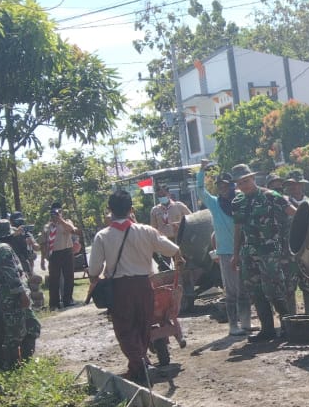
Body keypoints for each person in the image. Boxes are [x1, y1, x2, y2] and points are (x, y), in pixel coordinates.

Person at [88, 190, 183, 384]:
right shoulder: (146, 231)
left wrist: (95, 279)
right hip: (144, 286)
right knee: (142, 326)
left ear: (110, 211)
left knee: (125, 329)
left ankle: (141, 366)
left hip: (119, 289)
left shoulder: (102, 236)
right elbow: (173, 250)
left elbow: (94, 269)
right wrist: (179, 259)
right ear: (131, 209)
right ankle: (140, 366)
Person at [229, 163, 295, 342]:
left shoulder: (271, 196)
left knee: (274, 289)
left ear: (253, 178)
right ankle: (267, 329)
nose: (245, 184)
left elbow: (294, 214)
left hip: (271, 251)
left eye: (247, 180)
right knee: (255, 290)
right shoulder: (238, 202)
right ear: (237, 185)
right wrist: (236, 254)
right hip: (249, 252)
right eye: (240, 182)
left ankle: (288, 327)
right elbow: (238, 229)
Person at [198, 163, 250, 337]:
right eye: (220, 186)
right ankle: (233, 325)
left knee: (244, 289)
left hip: (244, 250)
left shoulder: (241, 200)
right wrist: (201, 170)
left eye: (226, 185)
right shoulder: (214, 204)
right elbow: (200, 190)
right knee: (231, 290)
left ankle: (246, 323)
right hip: (226, 252)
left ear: (232, 185)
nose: (223, 189)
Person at [0, 220, 41, 365]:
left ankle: (26, 361)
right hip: (12, 297)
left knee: (31, 326)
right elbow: (11, 274)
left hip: (12, 296)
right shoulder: (3, 249)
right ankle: (12, 365)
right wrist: (22, 294)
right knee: (15, 333)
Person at [280, 169, 309, 320]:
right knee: (288, 288)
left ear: (302, 185)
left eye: (297, 184)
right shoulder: (283, 203)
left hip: (307, 252)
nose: (294, 187)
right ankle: (290, 320)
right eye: (291, 184)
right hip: (288, 253)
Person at [39, 202, 79, 309]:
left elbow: (72, 230)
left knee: (69, 277)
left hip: (67, 251)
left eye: (58, 212)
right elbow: (43, 244)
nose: (56, 214)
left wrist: (60, 220)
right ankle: (54, 303)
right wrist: (42, 259)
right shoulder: (47, 227)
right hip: (54, 254)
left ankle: (68, 300)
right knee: (54, 279)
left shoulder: (67, 222)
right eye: (54, 212)